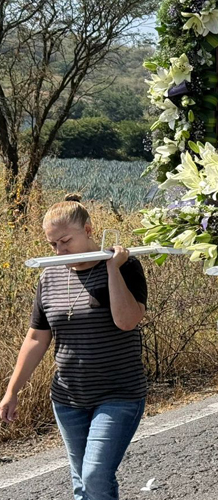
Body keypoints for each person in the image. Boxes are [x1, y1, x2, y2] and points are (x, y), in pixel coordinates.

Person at [0, 195, 148, 500]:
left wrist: (112, 269)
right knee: (82, 483)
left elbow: (127, 321)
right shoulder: (49, 276)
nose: (59, 250)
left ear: (89, 229)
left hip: (118, 394)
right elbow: (37, 338)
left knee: (94, 476)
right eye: (53, 244)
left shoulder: (127, 266)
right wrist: (12, 391)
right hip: (68, 398)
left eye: (65, 241)